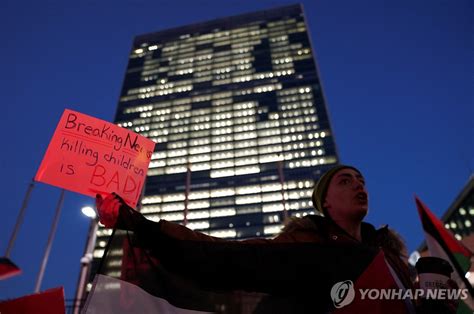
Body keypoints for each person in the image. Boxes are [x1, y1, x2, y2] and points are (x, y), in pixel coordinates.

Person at [94, 165, 434, 313]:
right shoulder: (305, 246)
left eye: (361, 180)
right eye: (345, 181)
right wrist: (137, 223)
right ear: (325, 202)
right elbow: (225, 257)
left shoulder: (393, 260)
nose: (359, 185)